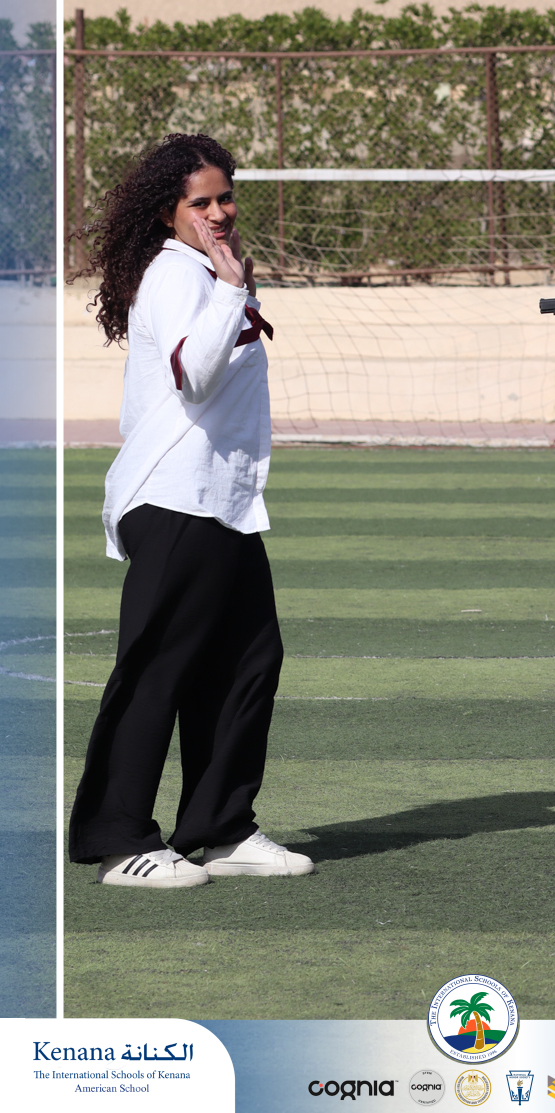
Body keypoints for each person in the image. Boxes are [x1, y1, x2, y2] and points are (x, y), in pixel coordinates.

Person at [68, 133, 313, 888]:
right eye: (199, 201)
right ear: (167, 212)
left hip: (221, 504)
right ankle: (119, 842)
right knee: (157, 668)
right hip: (175, 498)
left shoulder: (209, 272)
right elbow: (194, 377)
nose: (218, 212)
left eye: (224, 197)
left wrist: (233, 285)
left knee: (247, 661)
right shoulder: (176, 273)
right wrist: (234, 291)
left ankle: (221, 828)